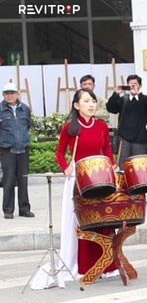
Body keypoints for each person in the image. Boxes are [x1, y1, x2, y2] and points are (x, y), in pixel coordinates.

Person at [55, 88, 118, 277]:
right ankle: (83, 265)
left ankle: (107, 265)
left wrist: (112, 164)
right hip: (78, 178)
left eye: (93, 101)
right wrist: (66, 167)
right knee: (84, 219)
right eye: (86, 101)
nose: (91, 104)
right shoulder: (70, 127)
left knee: (103, 217)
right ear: (77, 105)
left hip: (101, 177)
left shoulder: (101, 125)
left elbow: (106, 148)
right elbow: (59, 152)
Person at [0, 82, 34, 219]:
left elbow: (28, 125)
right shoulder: (0, 109)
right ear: (3, 95)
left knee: (23, 180)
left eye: (12, 93)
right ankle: (8, 210)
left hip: (23, 149)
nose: (9, 96)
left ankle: (24, 209)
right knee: (8, 181)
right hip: (7, 150)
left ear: (17, 94)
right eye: (7, 93)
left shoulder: (25, 109)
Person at [106, 74, 147, 168]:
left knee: (139, 167)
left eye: (135, 84)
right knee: (123, 166)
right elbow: (111, 108)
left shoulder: (145, 99)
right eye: (130, 84)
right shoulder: (123, 99)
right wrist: (115, 93)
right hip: (123, 139)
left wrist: (138, 95)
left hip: (140, 139)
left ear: (140, 85)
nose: (132, 86)